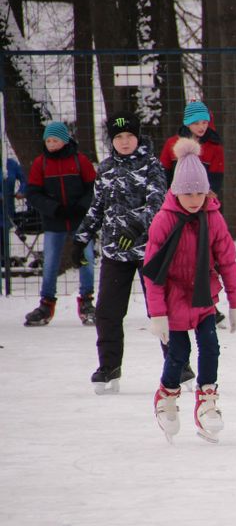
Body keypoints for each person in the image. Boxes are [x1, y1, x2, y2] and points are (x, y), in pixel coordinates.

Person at [143, 137, 236, 443]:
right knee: (178, 353)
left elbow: (228, 262)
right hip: (173, 300)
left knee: (210, 346)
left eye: (200, 192)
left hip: (202, 297)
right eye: (188, 193)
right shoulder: (164, 220)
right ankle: (166, 396)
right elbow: (153, 273)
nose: (194, 199)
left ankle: (207, 400)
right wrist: (157, 314)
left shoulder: (213, 218)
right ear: (176, 190)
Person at [72, 112, 167, 394]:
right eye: (118, 137)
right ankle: (109, 366)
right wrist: (80, 239)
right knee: (107, 312)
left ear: (138, 137)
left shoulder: (152, 165)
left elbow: (157, 205)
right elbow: (97, 207)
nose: (124, 142)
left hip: (149, 250)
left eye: (129, 136)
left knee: (160, 310)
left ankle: (178, 362)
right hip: (115, 252)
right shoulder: (106, 168)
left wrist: (135, 227)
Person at [159, 99, 227, 326]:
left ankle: (208, 303)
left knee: (203, 255)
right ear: (187, 123)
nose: (201, 127)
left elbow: (215, 182)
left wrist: (201, 202)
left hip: (202, 208)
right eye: (196, 123)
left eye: (204, 122)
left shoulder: (214, 147)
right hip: (175, 208)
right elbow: (163, 176)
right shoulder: (172, 144)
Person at [23, 122, 97, 326]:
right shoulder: (41, 163)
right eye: (48, 141)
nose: (51, 144)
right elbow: (33, 194)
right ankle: (46, 304)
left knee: (86, 259)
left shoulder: (80, 161)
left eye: (55, 140)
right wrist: (54, 209)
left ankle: (87, 302)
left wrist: (81, 207)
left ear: (64, 141)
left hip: (80, 220)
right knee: (50, 262)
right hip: (54, 221)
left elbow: (93, 188)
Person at [1, 157, 27, 265]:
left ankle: (4, 261)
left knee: (4, 236)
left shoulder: (11, 163)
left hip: (7, 209)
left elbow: (25, 180)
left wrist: (22, 191)